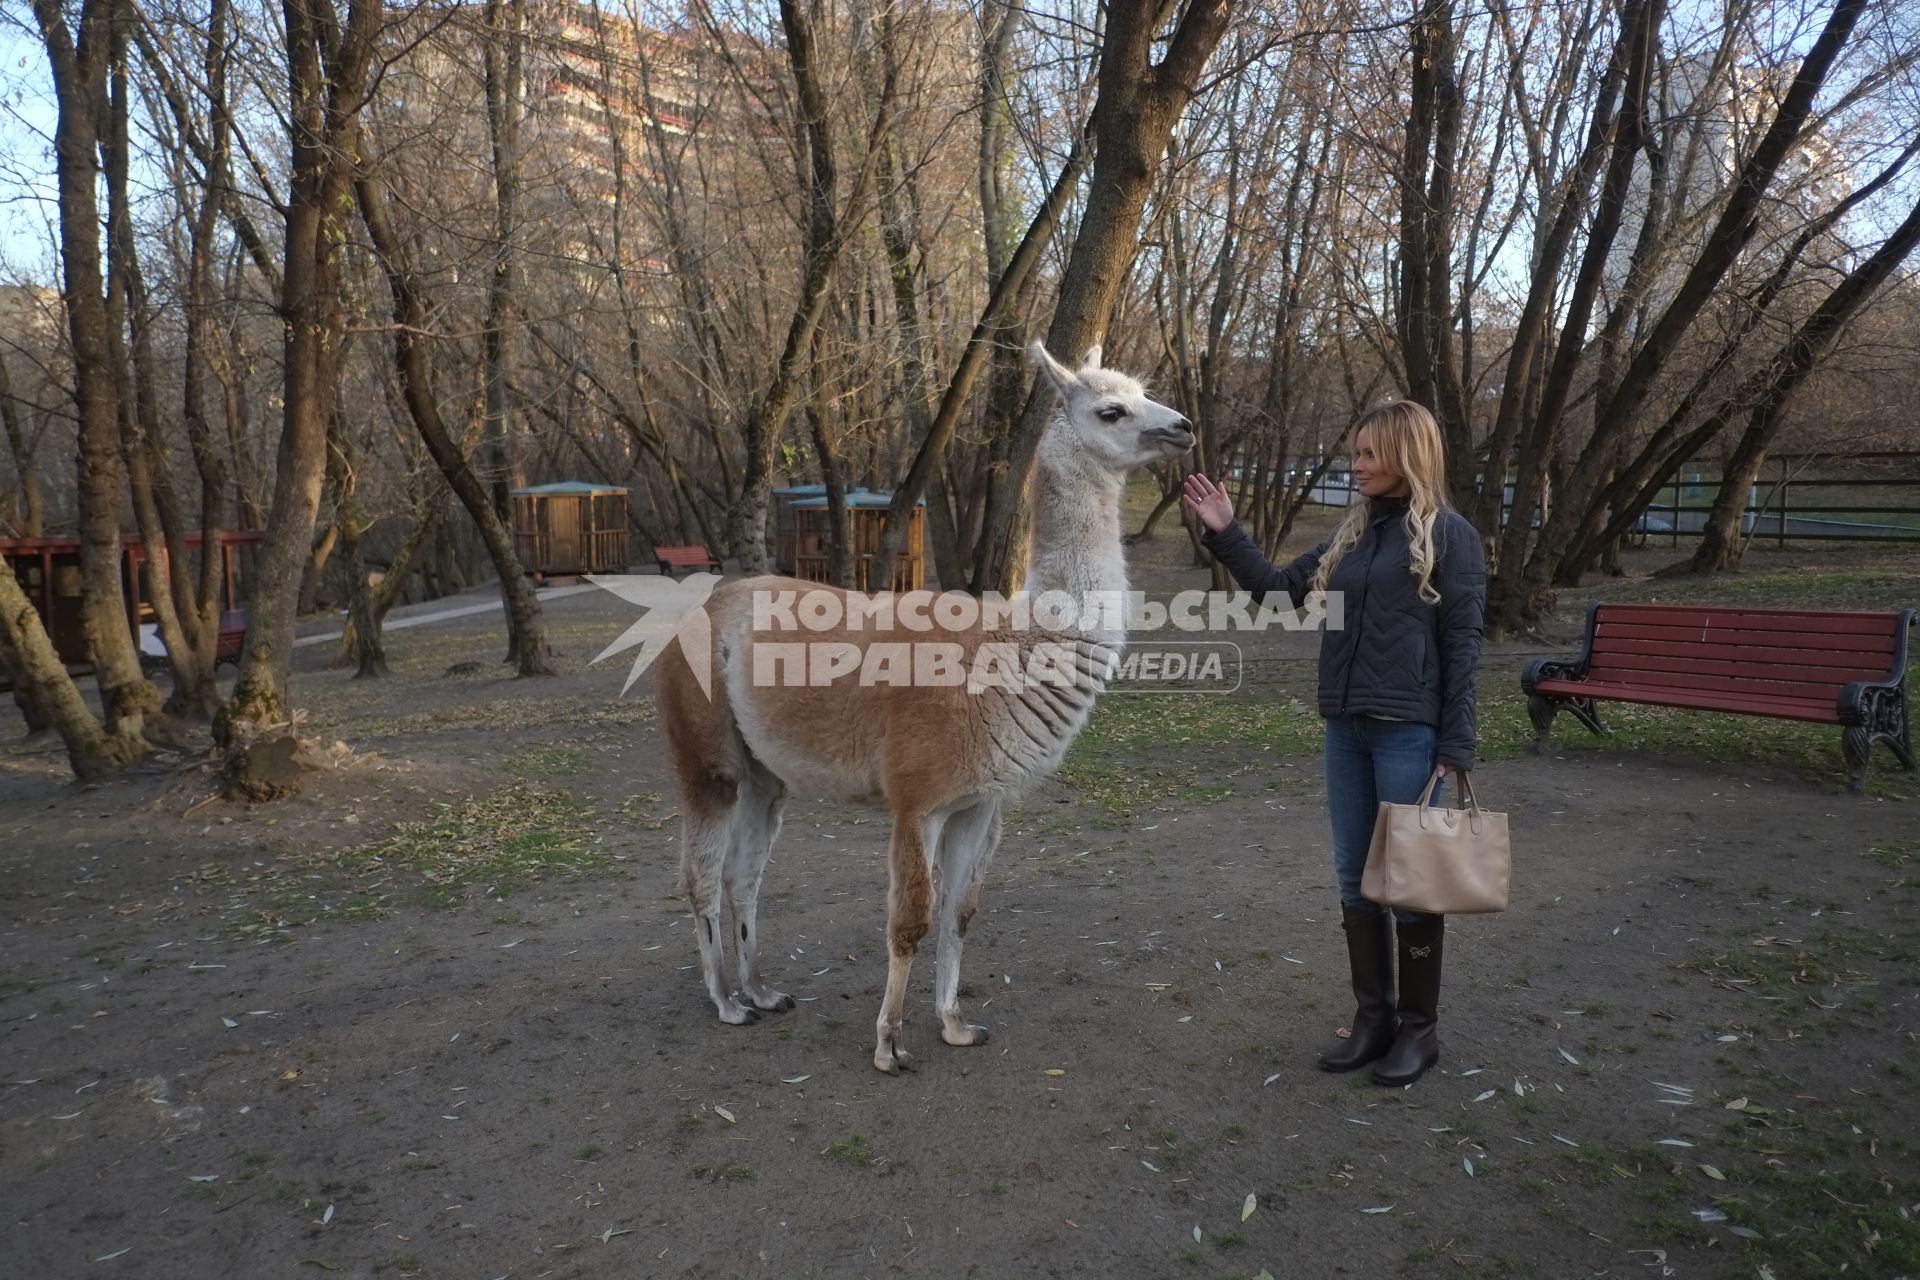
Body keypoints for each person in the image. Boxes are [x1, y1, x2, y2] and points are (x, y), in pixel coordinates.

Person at [1181, 401, 1486, 1086]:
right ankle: (1373, 1018)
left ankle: (1418, 1030)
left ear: (1408, 454)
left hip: (1410, 731)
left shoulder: (1451, 536)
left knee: (1410, 884)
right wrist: (1227, 532)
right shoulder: (1352, 536)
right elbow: (1277, 592)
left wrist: (1456, 745)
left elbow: (1463, 644)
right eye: (1355, 453)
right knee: (1356, 877)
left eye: (1370, 454)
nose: (1357, 465)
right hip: (1344, 728)